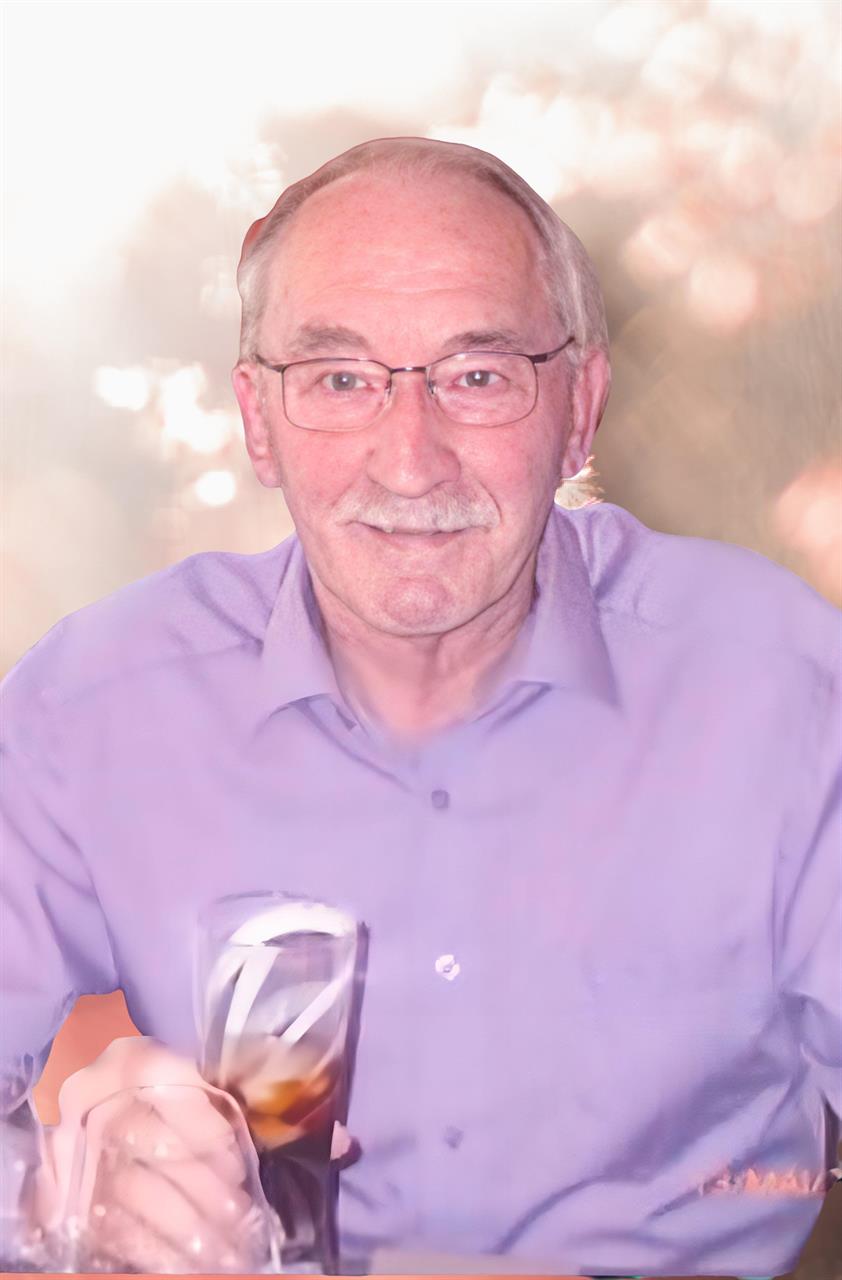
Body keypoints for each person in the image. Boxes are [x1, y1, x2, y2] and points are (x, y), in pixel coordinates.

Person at [1, 136, 840, 1277]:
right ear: (258, 419)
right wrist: (57, 1199)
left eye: (477, 376)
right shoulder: (91, 705)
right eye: (341, 379)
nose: (409, 461)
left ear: (579, 409)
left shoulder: (780, 685)